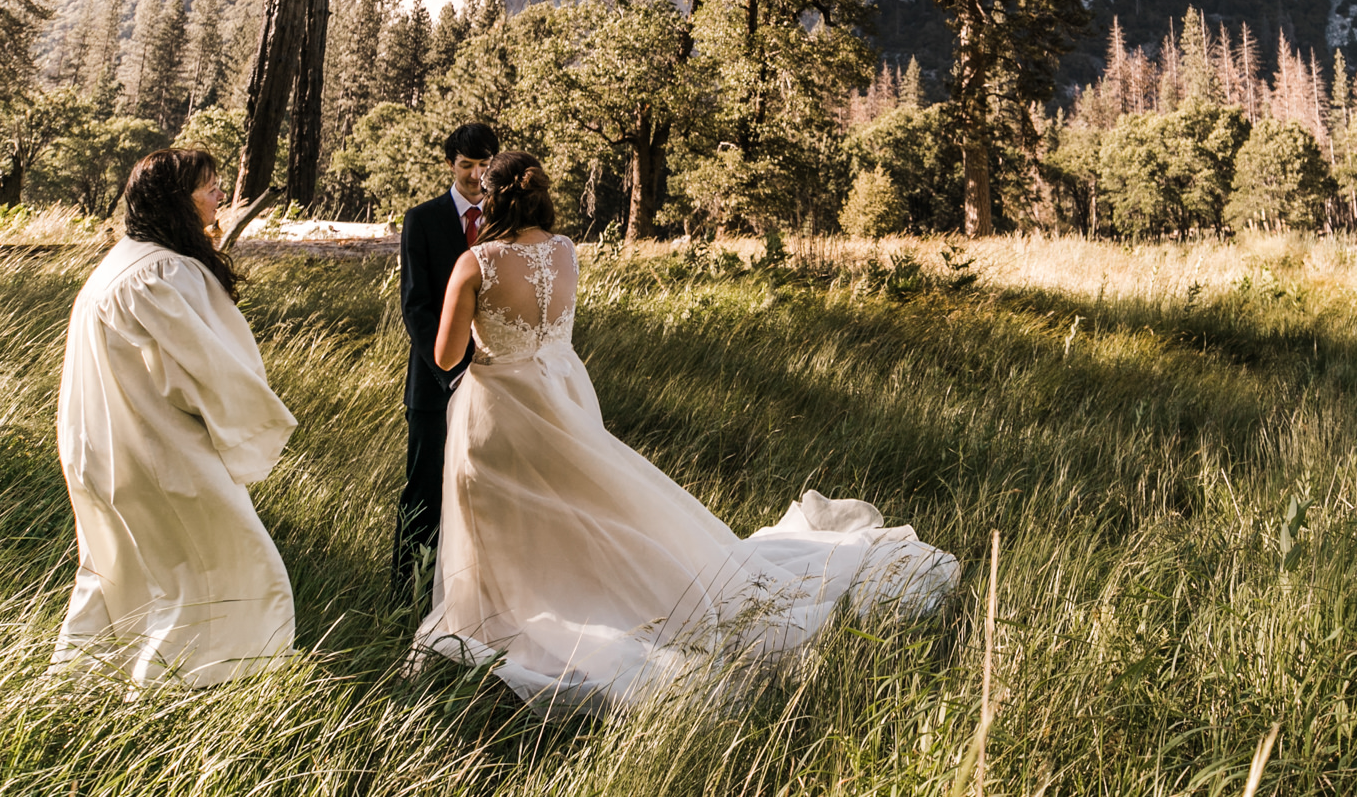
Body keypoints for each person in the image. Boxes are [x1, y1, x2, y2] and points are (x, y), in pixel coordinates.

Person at [410, 151, 959, 713]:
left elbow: (448, 354)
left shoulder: (475, 264)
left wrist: (485, 334)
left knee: (504, 520)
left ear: (492, 199)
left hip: (499, 410)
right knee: (580, 513)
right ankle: (585, 598)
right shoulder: (565, 252)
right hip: (563, 398)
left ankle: (503, 618)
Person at [52, 149, 297, 686]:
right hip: (158, 452)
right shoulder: (164, 272)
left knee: (120, 572)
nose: (218, 196)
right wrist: (242, 424)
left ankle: (83, 689)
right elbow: (203, 373)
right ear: (174, 200)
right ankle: (183, 692)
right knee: (227, 572)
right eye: (206, 187)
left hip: (101, 450)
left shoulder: (120, 262)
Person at [393, 120, 498, 601]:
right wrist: (450, 371)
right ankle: (404, 598)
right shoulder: (422, 219)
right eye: (466, 166)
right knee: (425, 492)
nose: (476, 176)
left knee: (486, 494)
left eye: (484, 165)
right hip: (434, 386)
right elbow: (415, 305)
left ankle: (470, 596)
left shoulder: (505, 221)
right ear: (450, 164)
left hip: (499, 386)